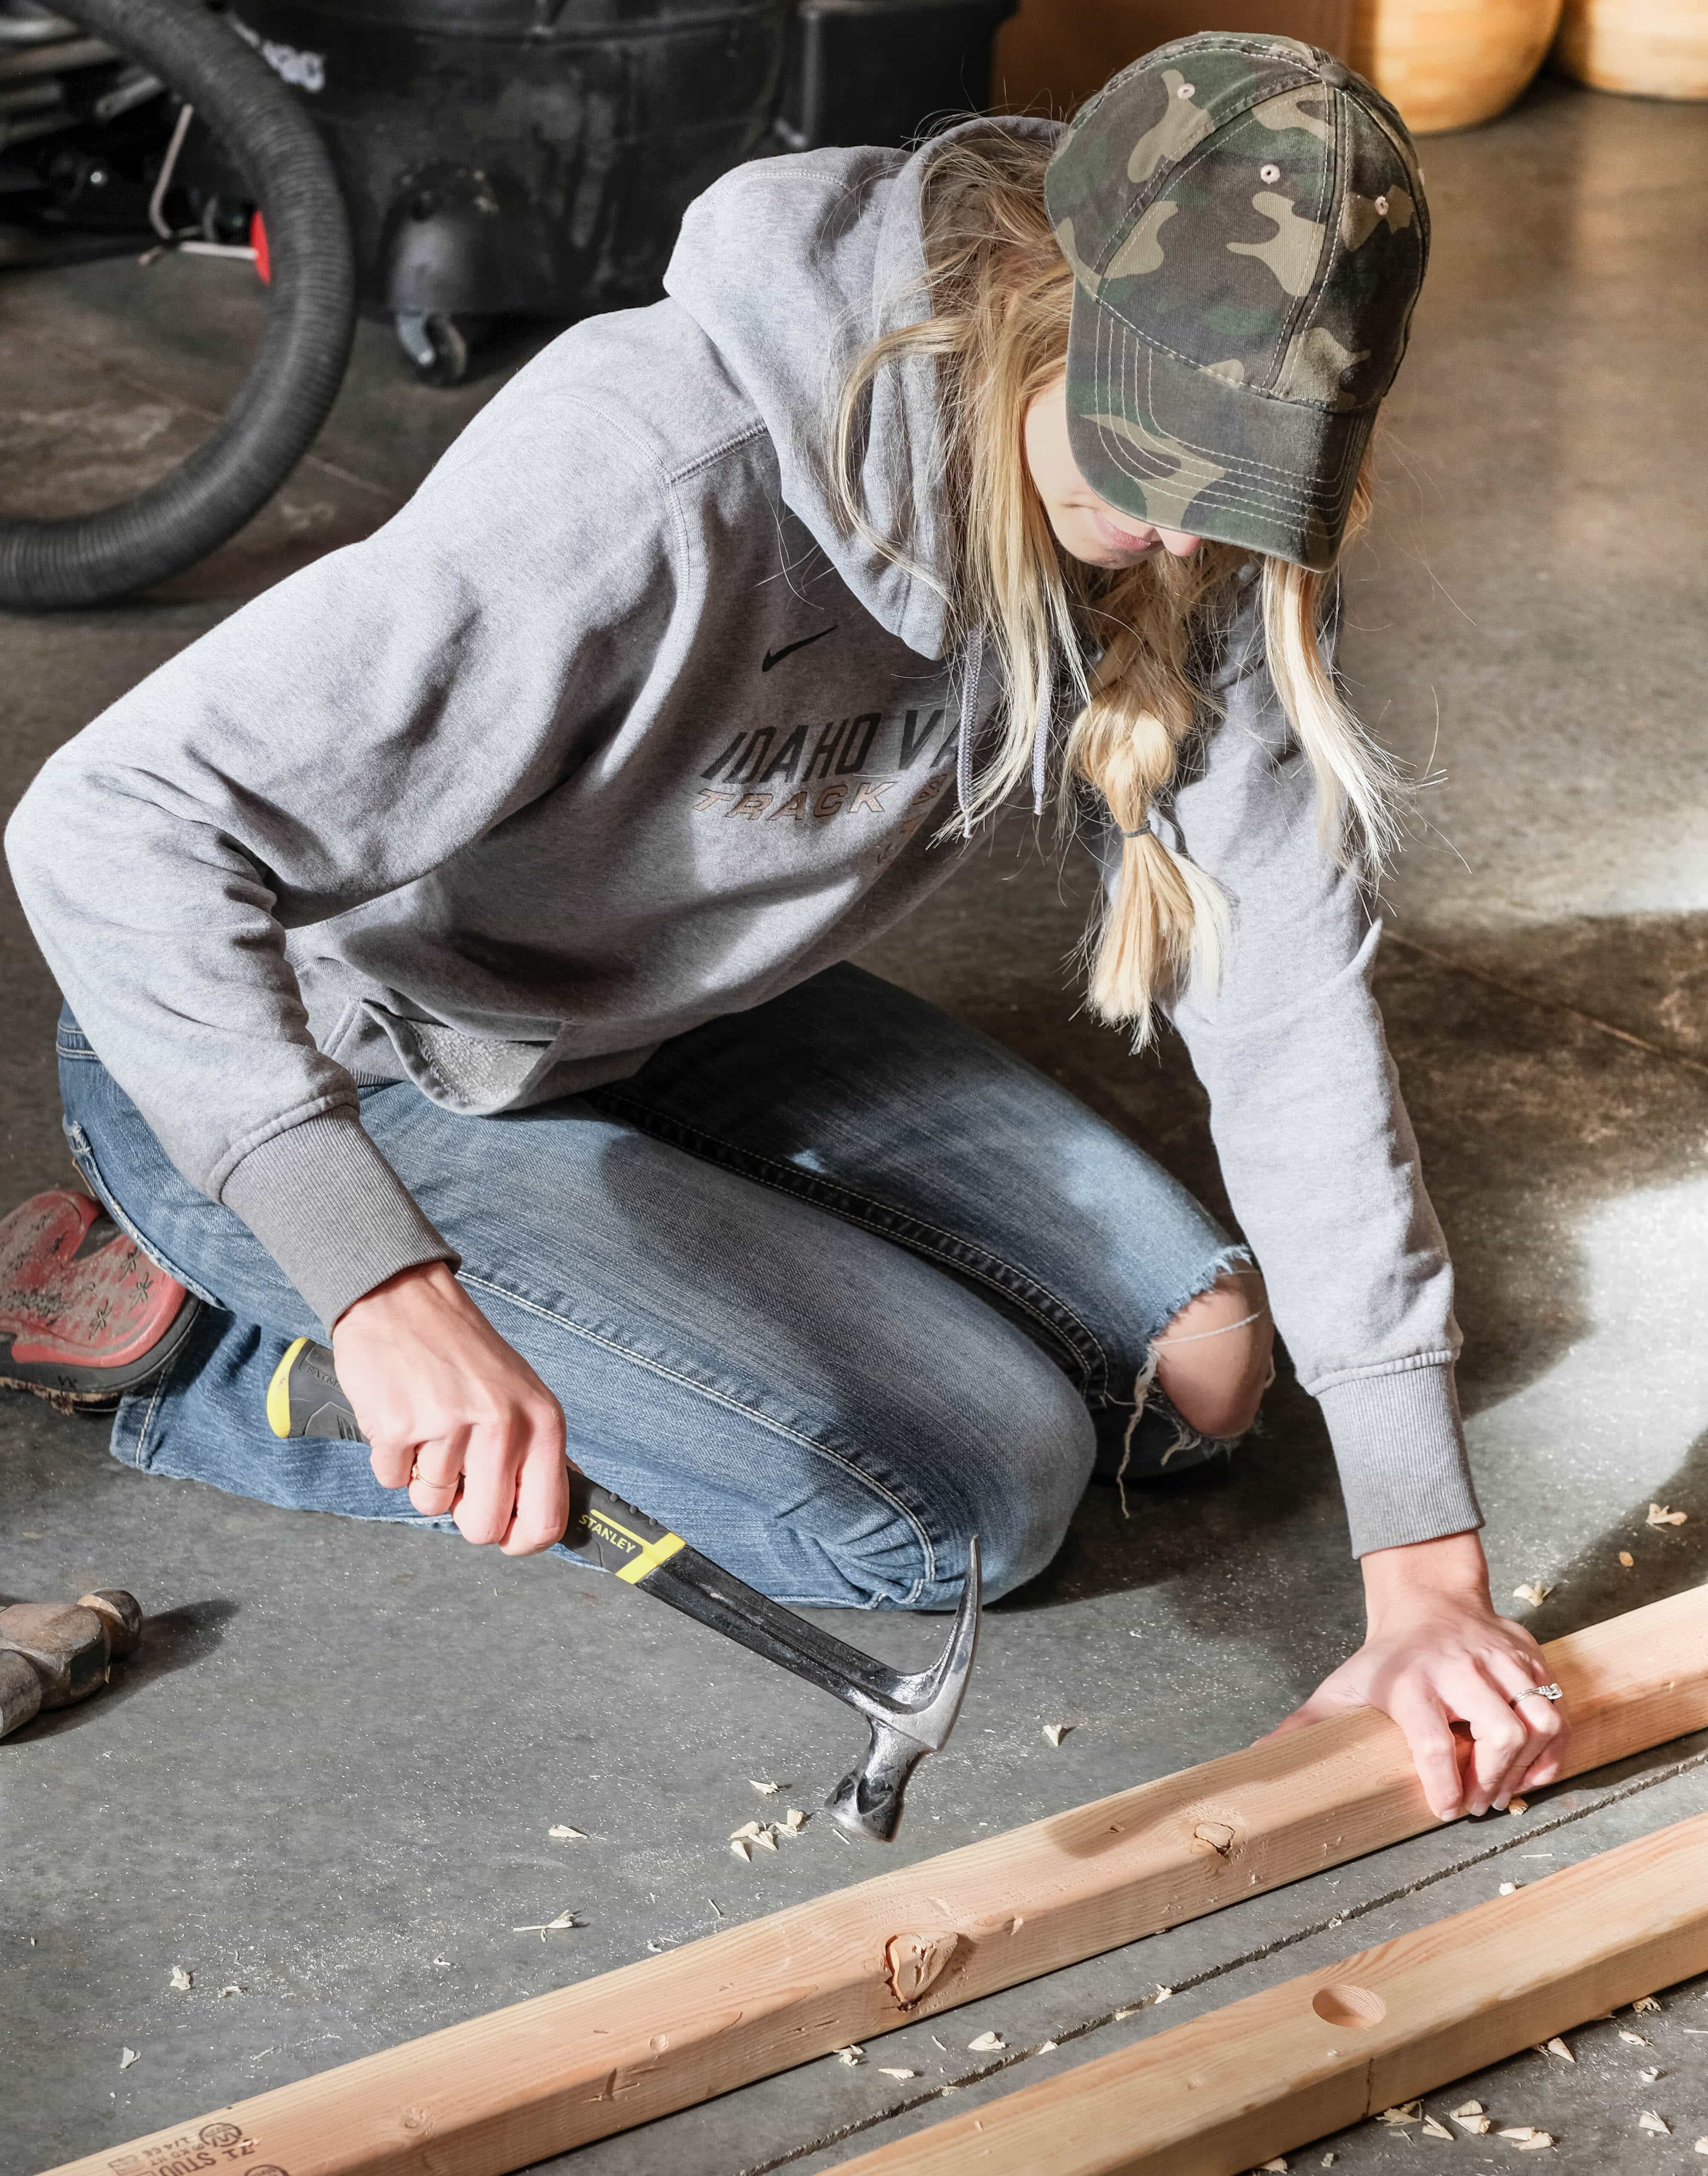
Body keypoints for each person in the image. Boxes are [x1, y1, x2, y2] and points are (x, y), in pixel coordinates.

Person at [3, 32, 1570, 1821]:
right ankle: (229, 1353)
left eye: (1228, 482)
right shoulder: (662, 464)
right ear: (1039, 311)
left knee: (1204, 1373)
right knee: (959, 1504)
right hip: (331, 1042)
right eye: (1139, 451)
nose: (1163, 529)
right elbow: (113, 822)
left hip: (652, 1003)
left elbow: (1282, 993)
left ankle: (539, 1285)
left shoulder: (1201, 529)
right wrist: (381, 1279)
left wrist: (1426, 1575)